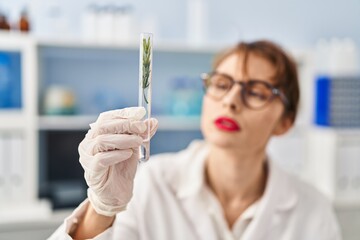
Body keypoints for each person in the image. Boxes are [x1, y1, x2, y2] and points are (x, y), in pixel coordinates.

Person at [49, 40, 342, 240]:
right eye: (222, 84)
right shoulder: (149, 185)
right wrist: (102, 209)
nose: (230, 101)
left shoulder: (312, 210)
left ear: (285, 122)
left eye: (255, 91)